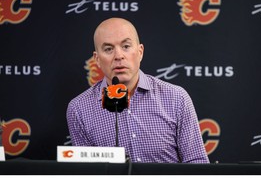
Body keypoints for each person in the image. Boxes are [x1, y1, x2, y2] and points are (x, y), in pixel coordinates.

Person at [66, 17, 209, 163]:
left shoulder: (176, 98)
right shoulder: (79, 109)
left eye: (126, 46)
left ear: (140, 52)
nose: (119, 56)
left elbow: (197, 163)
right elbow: (85, 175)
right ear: (97, 59)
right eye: (108, 49)